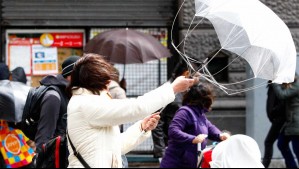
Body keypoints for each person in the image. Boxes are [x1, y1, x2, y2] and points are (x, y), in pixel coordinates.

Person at [66, 53, 194, 168]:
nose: (108, 84)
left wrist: (141, 128)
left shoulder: (88, 102)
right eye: (105, 80)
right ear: (94, 81)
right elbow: (137, 107)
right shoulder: (85, 104)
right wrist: (172, 89)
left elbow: (116, 147)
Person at [160, 83, 230, 168]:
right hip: (176, 163)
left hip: (190, 163)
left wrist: (220, 135)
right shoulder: (185, 112)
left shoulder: (200, 114)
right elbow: (173, 130)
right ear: (204, 100)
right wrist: (193, 139)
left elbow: (209, 127)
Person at [152, 63, 190, 160]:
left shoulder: (186, 92)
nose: (197, 80)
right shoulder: (166, 90)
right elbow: (157, 122)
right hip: (169, 147)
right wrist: (161, 151)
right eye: (197, 76)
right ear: (186, 74)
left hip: (183, 146)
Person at [272, 75, 299, 168]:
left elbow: (282, 95)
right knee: (281, 144)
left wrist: (275, 82)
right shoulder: (292, 84)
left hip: (296, 123)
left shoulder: (297, 85)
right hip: (290, 122)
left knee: (297, 150)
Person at [262, 82, 286, 168]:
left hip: (279, 119)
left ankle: (264, 165)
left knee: (268, 142)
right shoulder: (273, 85)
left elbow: (281, 101)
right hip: (277, 119)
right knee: (283, 144)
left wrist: (273, 112)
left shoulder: (277, 85)